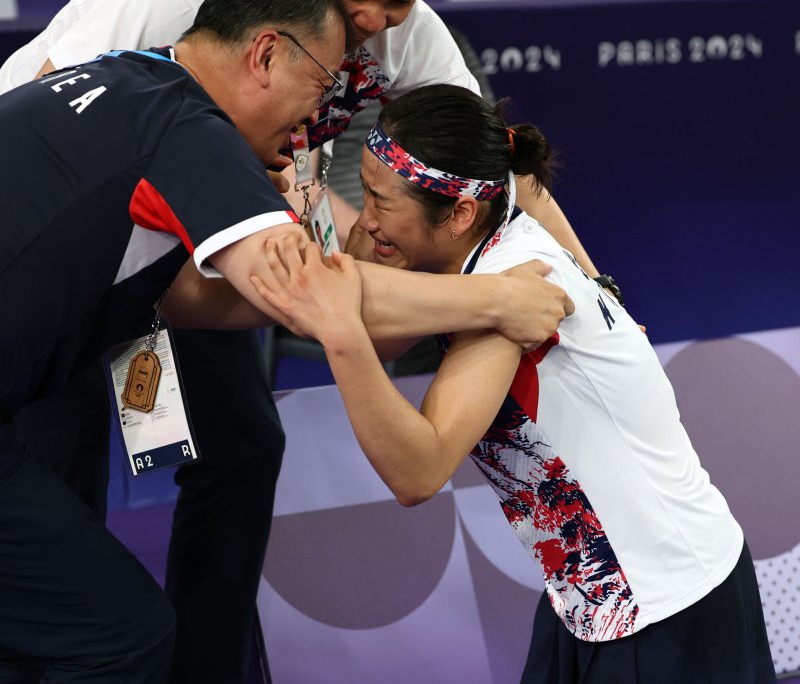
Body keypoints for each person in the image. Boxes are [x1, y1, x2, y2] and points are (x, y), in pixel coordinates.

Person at [0, 0, 590, 682]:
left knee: (243, 444)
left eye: (402, 1)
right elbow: (65, 116)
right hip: (72, 257)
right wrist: (490, 300)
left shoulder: (391, 34)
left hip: (190, 254)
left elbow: (494, 163)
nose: (378, 26)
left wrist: (589, 283)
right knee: (61, 503)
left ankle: (200, 666)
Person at [251, 84, 777, 684]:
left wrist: (337, 323)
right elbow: (387, 328)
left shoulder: (513, 293)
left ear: (459, 214)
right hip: (588, 593)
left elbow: (417, 471)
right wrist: (340, 230)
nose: (365, 218)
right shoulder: (488, 250)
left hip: (665, 610)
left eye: (378, 199)